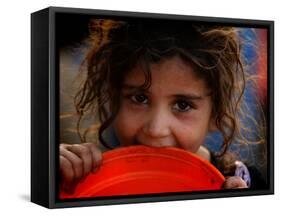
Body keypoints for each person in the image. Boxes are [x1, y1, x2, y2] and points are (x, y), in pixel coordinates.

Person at [59, 19, 266, 194]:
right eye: (139, 99)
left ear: (216, 113)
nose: (156, 130)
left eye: (182, 105)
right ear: (113, 99)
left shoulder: (244, 186)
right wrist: (57, 181)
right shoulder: (89, 179)